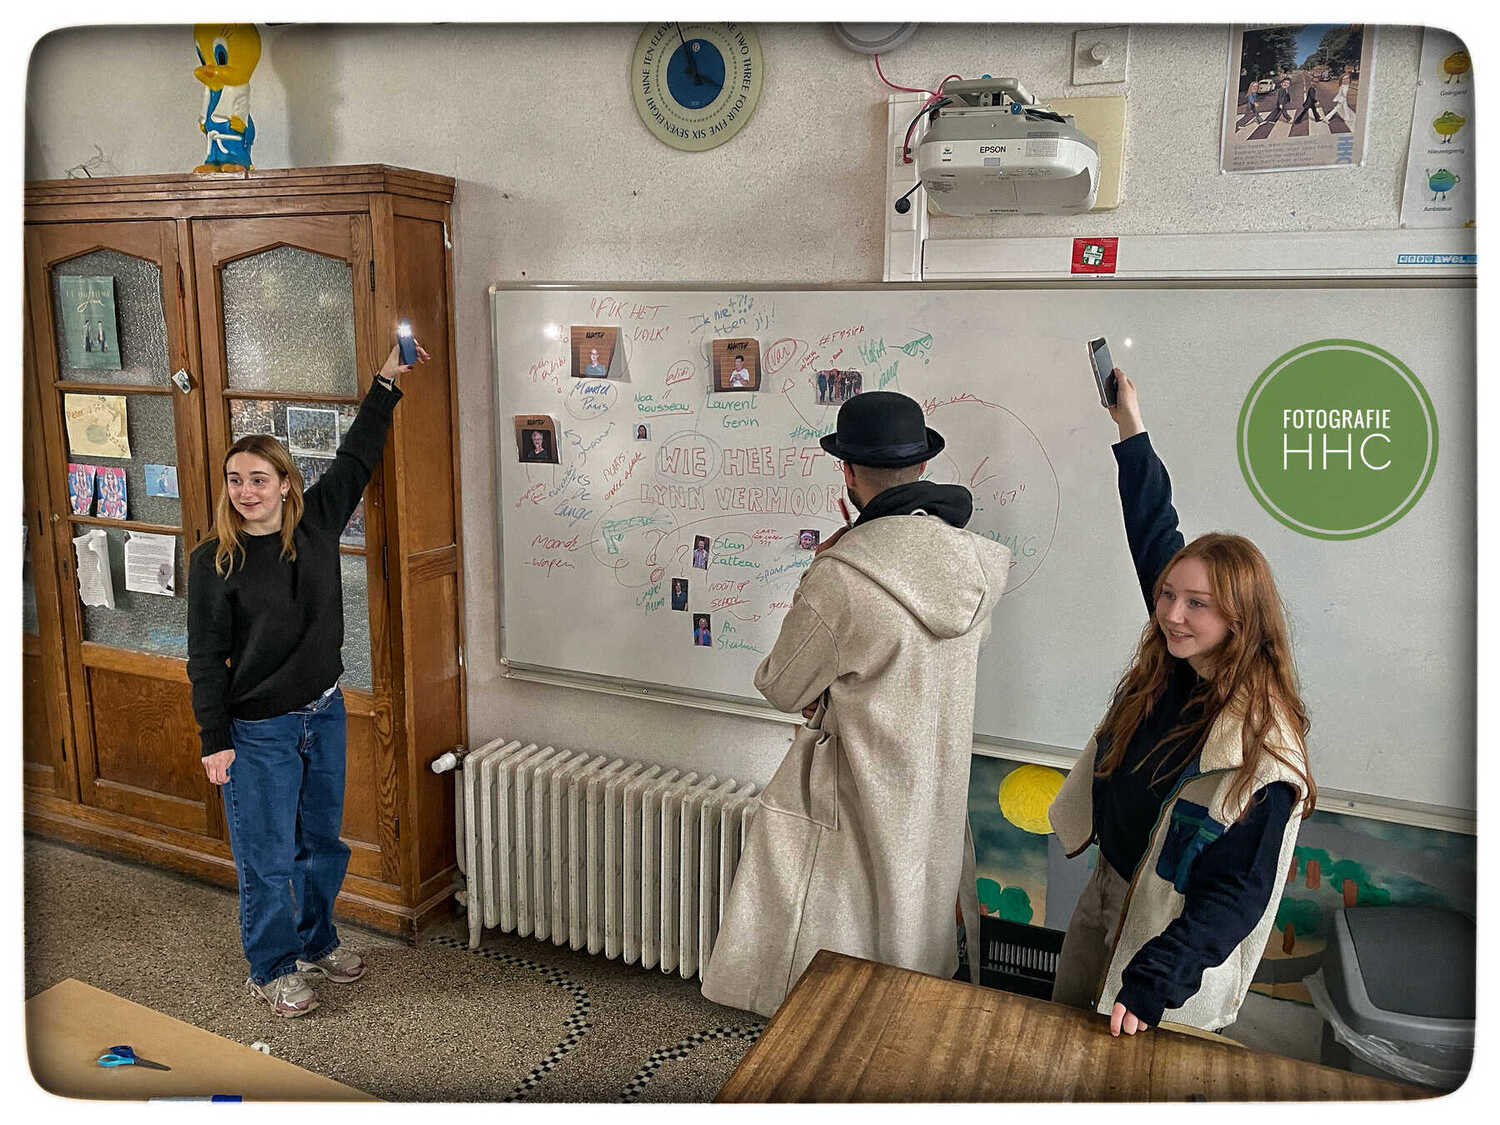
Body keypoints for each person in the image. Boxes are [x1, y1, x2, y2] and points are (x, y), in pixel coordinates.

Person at [701, 391, 1011, 1017]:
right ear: (923, 465)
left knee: (830, 969)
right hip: (933, 793)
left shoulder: (841, 575)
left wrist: (818, 575)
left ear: (846, 471)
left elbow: (782, 685)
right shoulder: (976, 565)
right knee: (907, 954)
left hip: (855, 796)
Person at [1047, 369, 1315, 1037]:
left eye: (1197, 603)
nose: (1170, 613)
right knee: (1056, 1040)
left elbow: (1237, 894)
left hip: (1166, 935)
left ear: (1240, 619)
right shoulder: (1179, 658)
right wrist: (1128, 424)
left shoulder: (1262, 745)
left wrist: (1155, 981)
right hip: (1107, 887)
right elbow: (1153, 527)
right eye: (1168, 594)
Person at [187, 333, 430, 1018]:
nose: (245, 491)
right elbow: (204, 657)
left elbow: (358, 453)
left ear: (286, 483)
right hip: (257, 729)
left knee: (321, 843)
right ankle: (271, 966)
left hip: (322, 712)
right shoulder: (214, 561)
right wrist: (214, 738)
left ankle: (317, 941)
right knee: (266, 857)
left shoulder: (318, 521)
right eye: (235, 479)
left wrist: (387, 380)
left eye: (258, 479)